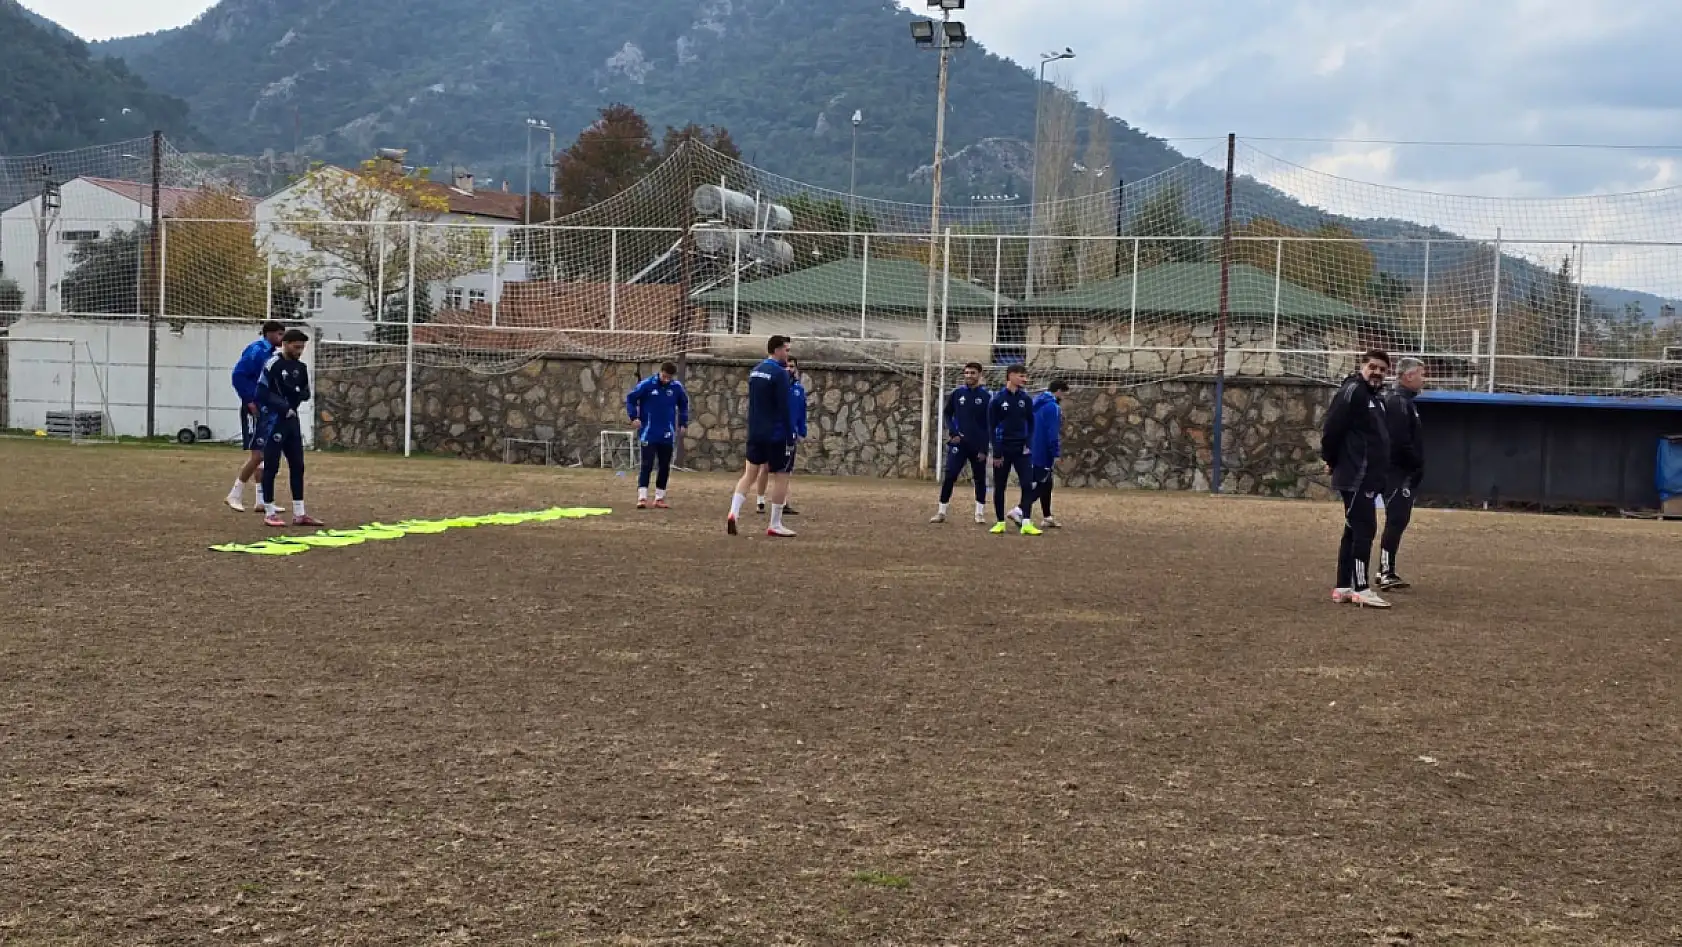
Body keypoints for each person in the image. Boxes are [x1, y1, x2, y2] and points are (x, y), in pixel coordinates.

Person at [1321, 348, 1393, 607]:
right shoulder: (1353, 392)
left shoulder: (1377, 397)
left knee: (1352, 529)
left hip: (1369, 476)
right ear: (1362, 366)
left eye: (1383, 370)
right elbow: (1331, 429)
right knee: (1364, 529)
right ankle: (1360, 587)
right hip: (1356, 475)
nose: (1377, 373)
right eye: (1373, 367)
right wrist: (1330, 459)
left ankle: (1342, 586)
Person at [727, 335, 795, 538]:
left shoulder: (755, 371)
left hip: (756, 431)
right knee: (782, 475)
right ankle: (775, 523)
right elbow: (783, 405)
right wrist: (790, 431)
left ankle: (733, 513)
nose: (787, 353)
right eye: (786, 349)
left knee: (749, 474)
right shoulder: (779, 373)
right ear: (776, 350)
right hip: (776, 434)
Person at [257, 329, 323, 528]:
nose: (299, 351)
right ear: (285, 344)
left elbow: (305, 392)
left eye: (302, 347)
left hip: (291, 421)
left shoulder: (301, 368)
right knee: (272, 466)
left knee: (298, 465)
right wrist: (283, 406)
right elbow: (262, 391)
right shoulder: (273, 364)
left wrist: (297, 396)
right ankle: (269, 511)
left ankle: (300, 513)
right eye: (296, 347)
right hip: (274, 420)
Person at [226, 320, 286, 512]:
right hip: (255, 407)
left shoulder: (270, 353)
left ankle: (262, 499)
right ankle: (234, 494)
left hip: (267, 408)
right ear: (268, 333)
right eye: (279, 334)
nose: (282, 338)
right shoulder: (256, 351)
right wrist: (249, 400)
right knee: (258, 454)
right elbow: (238, 375)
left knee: (264, 454)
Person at [1378, 356, 1427, 590]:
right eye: (1421, 374)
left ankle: (1387, 569)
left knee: (1399, 519)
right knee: (1396, 518)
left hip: (1402, 471)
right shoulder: (1397, 401)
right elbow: (1399, 440)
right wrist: (1414, 464)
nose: (1423, 378)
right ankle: (1385, 571)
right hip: (1397, 472)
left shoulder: (1406, 401)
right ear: (1408, 376)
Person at [930, 361, 991, 524]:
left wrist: (984, 448)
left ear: (980, 375)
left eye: (972, 373)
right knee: (950, 475)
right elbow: (947, 414)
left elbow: (989, 425)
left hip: (978, 445)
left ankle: (979, 513)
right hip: (959, 443)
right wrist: (953, 431)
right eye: (967, 373)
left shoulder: (986, 397)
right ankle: (941, 511)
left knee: (979, 478)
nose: (969, 376)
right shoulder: (957, 394)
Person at [625, 361, 690, 509]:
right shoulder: (647, 385)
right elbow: (631, 398)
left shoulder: (676, 388)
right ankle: (642, 497)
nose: (666, 380)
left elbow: (684, 404)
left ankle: (659, 498)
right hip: (648, 432)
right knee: (646, 464)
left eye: (669, 378)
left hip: (667, 433)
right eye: (664, 376)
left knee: (664, 466)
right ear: (660, 372)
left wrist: (683, 423)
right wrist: (633, 417)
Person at [988, 364, 1041, 536]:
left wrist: (1028, 443)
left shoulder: (1025, 399)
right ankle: (1000, 522)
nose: (1025, 379)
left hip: (1021, 450)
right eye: (1021, 376)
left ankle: (1026, 521)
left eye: (1026, 376)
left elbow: (1031, 423)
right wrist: (996, 451)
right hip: (1003, 449)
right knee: (1000, 486)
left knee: (1027, 484)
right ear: (1010, 376)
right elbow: (991, 427)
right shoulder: (996, 400)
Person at [756, 357, 806, 516]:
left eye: (792, 366)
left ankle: (783, 503)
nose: (790, 369)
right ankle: (760, 500)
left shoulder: (798, 389)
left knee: (785, 469)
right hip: (772, 432)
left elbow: (801, 411)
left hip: (789, 433)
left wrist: (801, 429)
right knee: (764, 467)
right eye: (787, 366)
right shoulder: (776, 386)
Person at [1030, 379, 1068, 528]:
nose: (1064, 397)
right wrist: (1055, 452)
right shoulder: (1053, 407)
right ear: (1058, 391)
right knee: (1042, 483)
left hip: (1033, 447)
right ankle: (1020, 509)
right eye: (1064, 394)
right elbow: (1052, 433)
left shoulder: (1036, 403)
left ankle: (1047, 516)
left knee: (1046, 483)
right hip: (1044, 450)